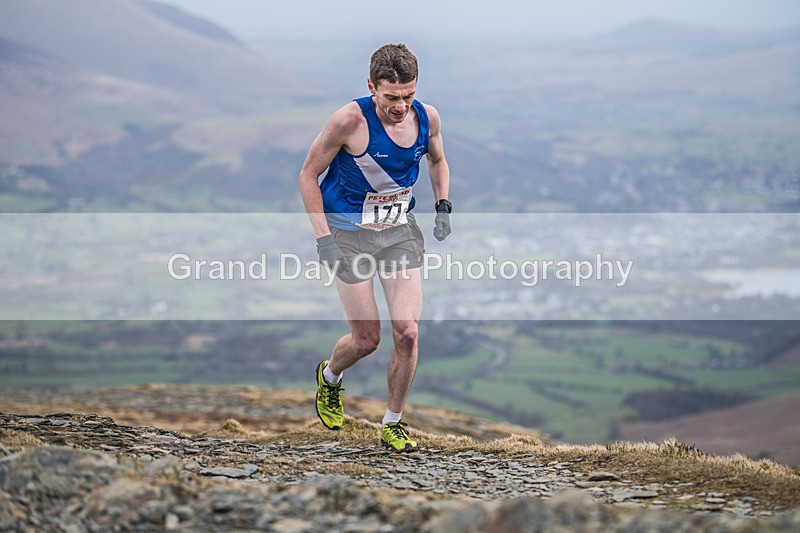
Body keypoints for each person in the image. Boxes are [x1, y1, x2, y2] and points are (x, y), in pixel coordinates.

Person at [298, 43, 452, 452]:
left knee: (407, 333)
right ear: (372, 87)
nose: (401, 106)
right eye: (391, 98)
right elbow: (308, 176)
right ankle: (330, 377)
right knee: (367, 339)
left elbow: (437, 160)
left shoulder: (427, 116)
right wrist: (324, 240)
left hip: (398, 230)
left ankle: (393, 422)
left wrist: (442, 204)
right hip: (347, 234)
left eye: (408, 96)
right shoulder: (349, 120)